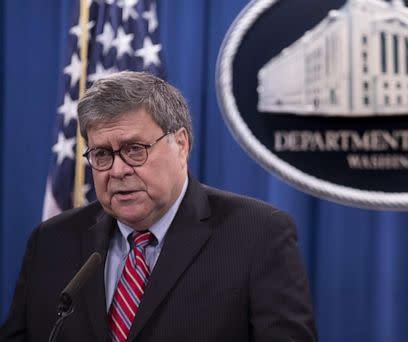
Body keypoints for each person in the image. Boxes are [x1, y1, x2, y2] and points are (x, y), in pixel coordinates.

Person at [0, 71, 317, 341]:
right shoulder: (52, 241)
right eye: (101, 155)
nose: (117, 170)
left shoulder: (257, 235)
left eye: (135, 150)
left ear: (181, 145)